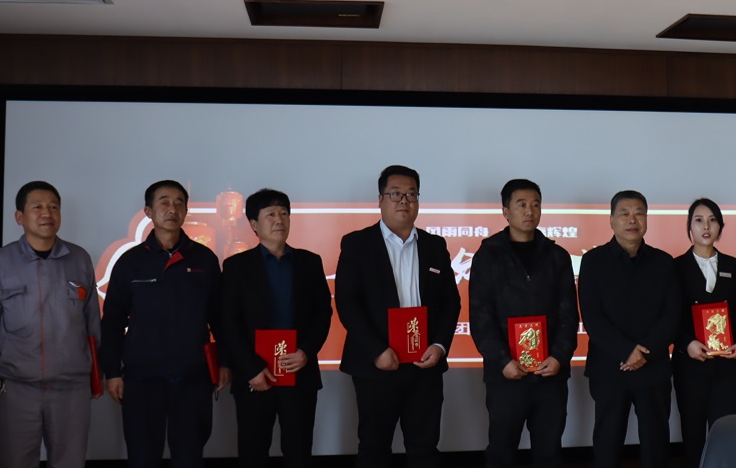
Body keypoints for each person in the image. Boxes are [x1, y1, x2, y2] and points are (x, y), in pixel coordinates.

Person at [334, 165, 462, 468]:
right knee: (373, 449)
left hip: (424, 364)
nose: (404, 201)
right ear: (380, 199)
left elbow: (451, 302)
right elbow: (348, 303)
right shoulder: (357, 244)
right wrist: (376, 350)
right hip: (376, 365)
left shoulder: (434, 245)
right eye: (395, 194)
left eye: (411, 194)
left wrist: (440, 346)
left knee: (424, 449)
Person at [0, 181, 102, 468]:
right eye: (37, 207)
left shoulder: (79, 259)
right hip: (15, 389)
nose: (47, 213)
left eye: (53, 207)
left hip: (71, 389)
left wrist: (95, 375)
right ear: (20, 217)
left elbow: (92, 324)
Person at [100, 179, 231, 468]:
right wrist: (112, 372)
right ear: (148, 211)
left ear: (185, 211)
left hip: (192, 377)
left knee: (189, 457)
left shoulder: (205, 259)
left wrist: (224, 362)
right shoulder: (130, 262)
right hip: (142, 378)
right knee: (142, 457)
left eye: (179, 203)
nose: (172, 208)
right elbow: (112, 322)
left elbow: (220, 317)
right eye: (164, 202)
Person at [468, 179, 579, 468]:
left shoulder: (557, 256)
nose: (530, 211)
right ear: (505, 211)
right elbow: (480, 317)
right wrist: (502, 361)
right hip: (506, 376)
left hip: (550, 375)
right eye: (521, 205)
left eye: (535, 204)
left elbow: (569, 315)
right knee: (501, 452)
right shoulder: (488, 256)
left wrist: (558, 357)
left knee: (549, 453)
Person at [221, 188, 333, 468]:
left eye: (284, 213)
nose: (279, 220)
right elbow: (229, 322)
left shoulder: (310, 262)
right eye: (270, 214)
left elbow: (323, 313)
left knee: (299, 453)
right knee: (253, 453)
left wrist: (306, 352)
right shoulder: (236, 266)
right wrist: (251, 369)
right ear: (254, 224)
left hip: (299, 372)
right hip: (255, 376)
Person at [577, 190, 679, 468]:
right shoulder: (593, 261)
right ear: (611, 220)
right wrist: (626, 351)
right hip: (609, 367)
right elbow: (592, 317)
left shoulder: (663, 262)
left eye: (639, 213)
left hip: (653, 366)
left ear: (647, 219)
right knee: (607, 442)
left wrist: (644, 353)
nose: (632, 220)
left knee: (656, 443)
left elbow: (672, 315)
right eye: (624, 213)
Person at [671, 198, 736, 468]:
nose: (706, 226)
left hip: (726, 366)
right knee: (693, 435)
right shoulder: (675, 266)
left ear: (720, 227)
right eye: (699, 220)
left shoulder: (732, 265)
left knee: (725, 434)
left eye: (713, 220)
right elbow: (670, 315)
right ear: (689, 226)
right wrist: (686, 343)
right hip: (690, 364)